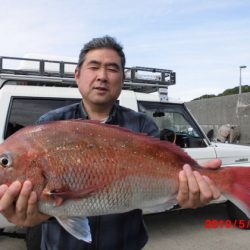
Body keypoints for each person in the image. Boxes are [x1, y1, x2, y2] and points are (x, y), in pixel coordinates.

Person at [0, 35, 221, 250]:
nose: (102, 76)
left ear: (122, 79)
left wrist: (188, 194)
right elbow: (47, 208)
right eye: (94, 67)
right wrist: (33, 217)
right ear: (77, 75)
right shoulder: (49, 123)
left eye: (112, 69)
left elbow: (164, 185)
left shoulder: (142, 125)